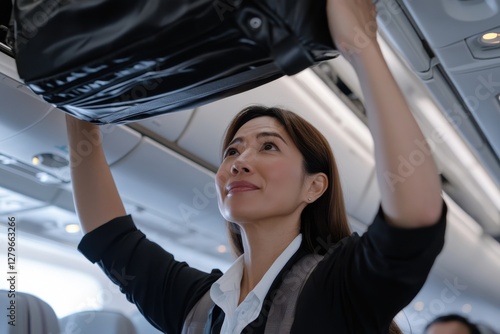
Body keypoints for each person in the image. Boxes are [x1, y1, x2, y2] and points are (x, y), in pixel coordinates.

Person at [65, 0, 447, 332]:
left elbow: (416, 216)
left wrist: (361, 47)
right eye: (232, 151)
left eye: (268, 146)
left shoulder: (341, 286)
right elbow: (109, 238)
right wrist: (77, 108)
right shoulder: (198, 306)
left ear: (313, 187)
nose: (240, 162)